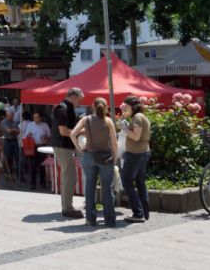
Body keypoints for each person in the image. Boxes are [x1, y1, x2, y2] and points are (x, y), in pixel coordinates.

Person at [70, 98, 119, 227]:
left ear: (93, 106)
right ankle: (110, 220)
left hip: (89, 155)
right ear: (106, 107)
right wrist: (115, 157)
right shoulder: (108, 121)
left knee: (90, 187)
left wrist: (80, 148)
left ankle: (90, 219)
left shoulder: (85, 119)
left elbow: (73, 134)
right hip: (105, 157)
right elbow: (114, 142)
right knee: (107, 189)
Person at [52, 87, 85, 219]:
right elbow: (63, 131)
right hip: (63, 146)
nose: (80, 103)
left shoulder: (65, 108)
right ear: (73, 97)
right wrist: (81, 132)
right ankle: (67, 208)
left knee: (67, 176)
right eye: (79, 100)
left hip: (63, 146)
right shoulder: (63, 109)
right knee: (70, 176)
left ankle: (66, 206)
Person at [120, 96, 151, 223]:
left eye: (126, 106)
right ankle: (145, 212)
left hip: (136, 154)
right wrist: (126, 123)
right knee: (140, 183)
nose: (125, 109)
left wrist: (124, 127)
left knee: (127, 182)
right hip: (141, 153)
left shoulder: (137, 117)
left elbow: (136, 136)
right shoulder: (139, 117)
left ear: (132, 106)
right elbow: (135, 133)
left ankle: (138, 213)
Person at [23, 112, 51, 190]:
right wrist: (28, 135)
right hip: (33, 146)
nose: (35, 119)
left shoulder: (45, 125)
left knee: (42, 165)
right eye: (34, 117)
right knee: (32, 165)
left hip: (42, 146)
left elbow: (49, 135)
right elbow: (25, 135)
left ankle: (42, 182)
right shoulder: (30, 125)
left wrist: (46, 137)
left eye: (36, 117)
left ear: (40, 118)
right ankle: (33, 183)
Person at [0, 109, 20, 181]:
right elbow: (8, 131)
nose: (13, 117)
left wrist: (12, 130)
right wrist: (14, 130)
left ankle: (19, 174)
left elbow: (19, 131)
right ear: (7, 115)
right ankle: (8, 174)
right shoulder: (3, 122)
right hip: (7, 141)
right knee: (8, 158)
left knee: (18, 157)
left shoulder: (14, 122)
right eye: (11, 115)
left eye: (13, 115)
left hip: (15, 141)